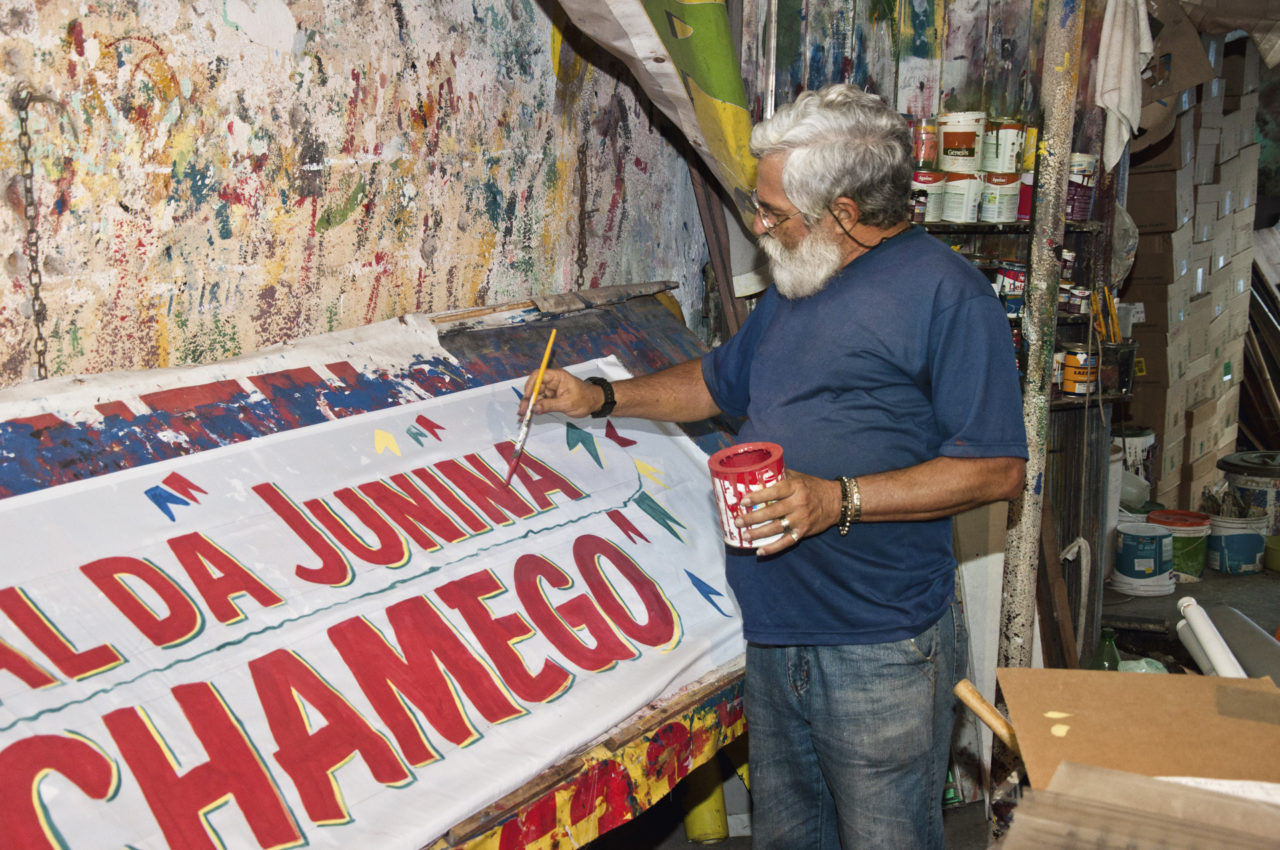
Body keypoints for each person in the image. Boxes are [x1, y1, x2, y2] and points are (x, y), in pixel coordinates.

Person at [520, 83, 1027, 849]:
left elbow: (994, 470)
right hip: (775, 629)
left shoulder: (948, 297)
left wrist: (836, 500)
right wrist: (598, 397)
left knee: (886, 837)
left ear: (846, 215)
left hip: (879, 643)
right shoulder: (800, 284)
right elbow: (717, 381)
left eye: (774, 214)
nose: (760, 229)